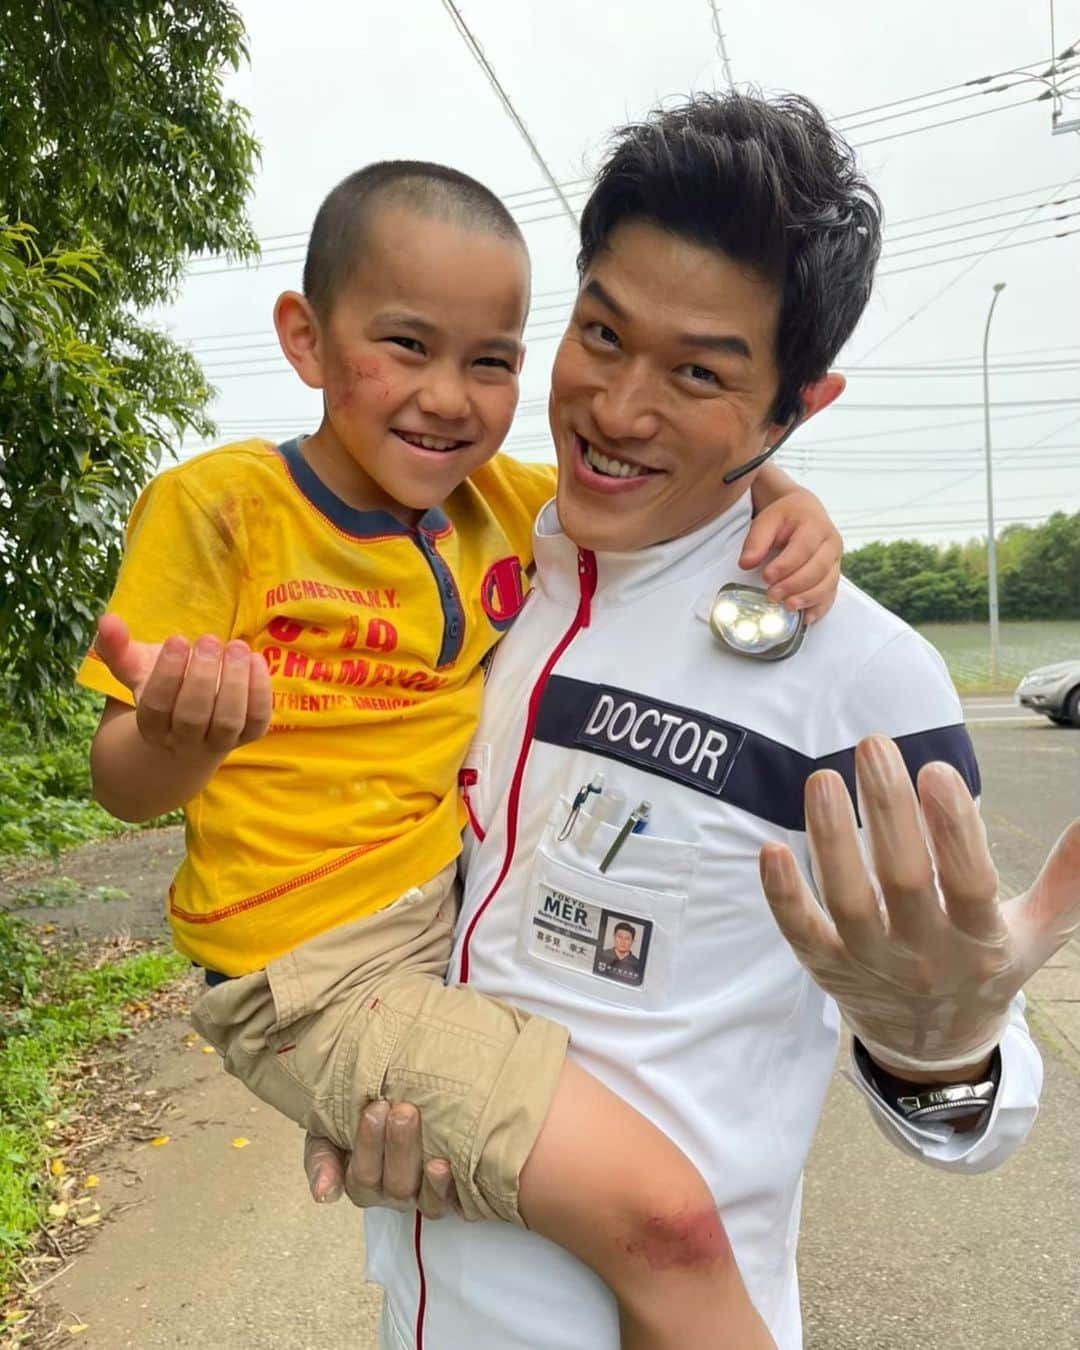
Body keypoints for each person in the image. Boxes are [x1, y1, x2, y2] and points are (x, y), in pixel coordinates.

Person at [302, 93, 1080, 1350]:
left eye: (700, 373)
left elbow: (972, 1112)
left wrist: (943, 1050)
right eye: (602, 335)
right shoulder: (467, 572)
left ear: (794, 409)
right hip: (423, 1299)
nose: (616, 410)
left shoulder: (861, 675)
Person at [78, 159, 848, 1349]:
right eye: (405, 345)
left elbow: (684, 483)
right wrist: (180, 737)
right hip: (314, 974)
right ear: (307, 338)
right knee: (666, 1227)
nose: (448, 398)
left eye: (490, 360)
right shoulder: (223, 510)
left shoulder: (502, 504)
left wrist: (785, 494)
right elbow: (120, 781)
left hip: (454, 941)